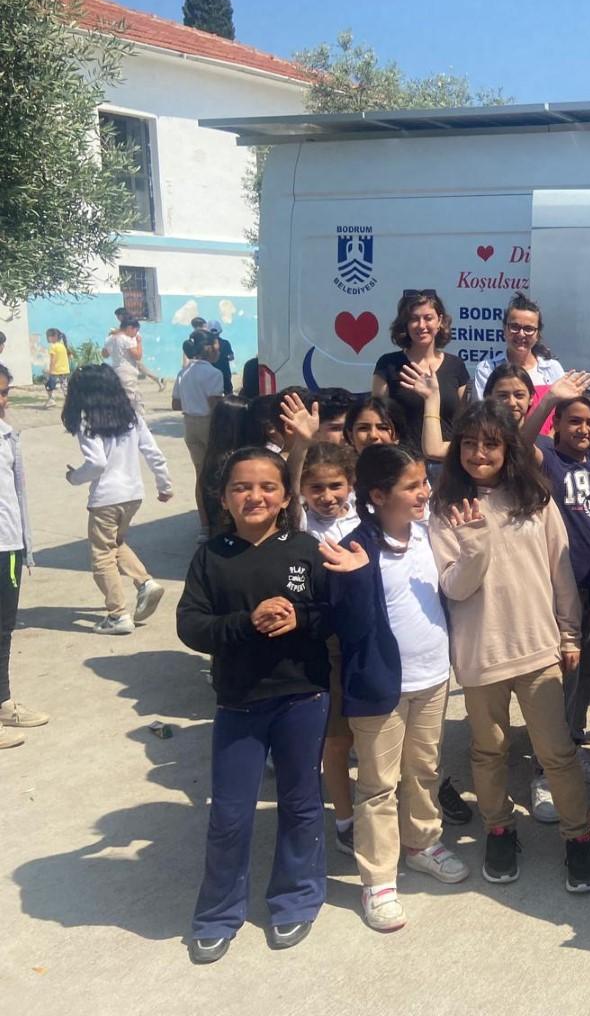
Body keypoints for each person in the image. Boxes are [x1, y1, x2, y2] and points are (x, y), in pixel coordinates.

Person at [428, 398, 590, 893]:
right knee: (489, 751)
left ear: (508, 449)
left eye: (490, 443)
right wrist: (474, 546)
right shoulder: (445, 508)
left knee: (557, 753)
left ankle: (579, 836)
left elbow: (561, 571)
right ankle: (499, 829)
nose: (478, 453)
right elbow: (454, 587)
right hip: (480, 653)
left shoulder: (535, 499)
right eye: (468, 443)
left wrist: (569, 633)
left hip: (537, 647)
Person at [176, 446, 333, 964]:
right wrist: (247, 622)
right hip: (239, 702)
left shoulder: (306, 549)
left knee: (301, 803)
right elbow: (191, 625)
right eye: (241, 487)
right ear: (223, 498)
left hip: (302, 696)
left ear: (286, 496)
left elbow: (333, 613)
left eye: (268, 486)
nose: (255, 496)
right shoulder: (211, 556)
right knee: (230, 813)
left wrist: (301, 619)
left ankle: (296, 898)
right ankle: (217, 913)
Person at [321, 444, 469, 931]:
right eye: (412, 486)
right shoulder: (353, 547)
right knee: (378, 785)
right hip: (379, 686)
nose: (424, 492)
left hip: (433, 676)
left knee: (424, 769)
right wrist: (355, 580)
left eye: (425, 482)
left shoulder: (429, 535)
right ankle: (378, 879)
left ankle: (422, 843)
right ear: (379, 495)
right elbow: (346, 627)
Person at [522, 372, 590, 774]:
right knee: (566, 671)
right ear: (557, 424)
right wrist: (546, 401)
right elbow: (518, 446)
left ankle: (571, 739)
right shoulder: (548, 458)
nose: (583, 429)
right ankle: (552, 759)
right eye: (574, 421)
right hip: (564, 585)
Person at [61, 364, 172, 635]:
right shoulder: (131, 416)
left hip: (106, 498)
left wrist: (74, 477)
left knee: (101, 555)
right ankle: (145, 583)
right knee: (114, 543)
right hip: (133, 494)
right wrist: (164, 484)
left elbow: (97, 463)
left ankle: (117, 615)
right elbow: (153, 452)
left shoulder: (87, 420)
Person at [298, 441, 362, 856]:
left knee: (373, 736)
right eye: (315, 487)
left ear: (351, 484)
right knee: (337, 740)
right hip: (327, 642)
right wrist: (300, 445)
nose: (326, 496)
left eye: (335, 485)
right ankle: (345, 820)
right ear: (302, 490)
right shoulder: (299, 525)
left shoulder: (365, 517)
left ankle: (378, 809)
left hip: (367, 637)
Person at [371, 289, 469, 459]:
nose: (421, 325)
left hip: (446, 463)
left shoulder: (456, 366)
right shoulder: (388, 365)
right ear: (405, 324)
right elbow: (378, 418)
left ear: (440, 321)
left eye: (428, 318)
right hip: (404, 462)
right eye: (414, 319)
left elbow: (465, 421)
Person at [0, 363, 40, 749]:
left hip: (7, 545)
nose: (2, 400)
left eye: (4, 392)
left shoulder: (7, 435)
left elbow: (19, 493)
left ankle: (3, 702)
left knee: (3, 629)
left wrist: (25, 544)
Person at [173, 331, 225, 530]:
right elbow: (215, 405)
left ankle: (204, 524)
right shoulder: (214, 373)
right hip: (208, 425)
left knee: (201, 475)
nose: (219, 350)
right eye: (217, 346)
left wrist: (192, 400)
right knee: (219, 472)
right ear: (210, 348)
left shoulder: (183, 372)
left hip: (189, 424)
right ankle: (220, 520)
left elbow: (176, 404)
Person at [470, 294, 565, 399]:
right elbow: (485, 408)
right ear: (504, 329)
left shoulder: (552, 368)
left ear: (538, 334)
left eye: (528, 329)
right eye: (514, 327)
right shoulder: (487, 369)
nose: (521, 334)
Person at [197, 396, 258, 538]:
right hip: (233, 530)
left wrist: (205, 527)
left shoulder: (214, 454)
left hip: (217, 527)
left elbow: (200, 491)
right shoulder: (236, 460)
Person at [102, 316, 165, 415]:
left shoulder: (110, 338)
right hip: (127, 372)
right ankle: (137, 419)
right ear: (129, 328)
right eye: (136, 330)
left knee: (119, 397)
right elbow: (137, 356)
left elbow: (104, 354)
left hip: (115, 370)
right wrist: (139, 343)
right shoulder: (127, 339)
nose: (136, 333)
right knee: (133, 400)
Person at [44, 328, 72, 409]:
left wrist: (50, 371)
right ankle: (69, 402)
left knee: (48, 385)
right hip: (65, 370)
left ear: (54, 337)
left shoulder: (53, 347)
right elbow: (68, 357)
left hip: (55, 371)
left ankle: (51, 399)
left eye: (48, 336)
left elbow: (52, 360)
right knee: (65, 387)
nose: (47, 338)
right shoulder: (63, 346)